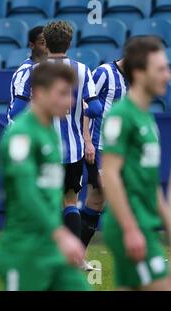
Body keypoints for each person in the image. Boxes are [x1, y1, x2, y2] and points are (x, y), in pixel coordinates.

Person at [3, 21, 102, 255]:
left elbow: (16, 112)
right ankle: (76, 256)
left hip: (43, 149)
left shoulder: (34, 71)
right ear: (70, 42)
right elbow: (97, 108)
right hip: (73, 148)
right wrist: (79, 110)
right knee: (71, 202)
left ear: (45, 42)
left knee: (43, 201)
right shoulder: (82, 69)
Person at [0, 62, 90, 291]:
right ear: (38, 93)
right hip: (25, 250)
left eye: (70, 94)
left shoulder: (49, 132)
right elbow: (26, 193)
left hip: (51, 248)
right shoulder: (21, 135)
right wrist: (62, 235)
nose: (69, 101)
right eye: (61, 93)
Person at [102, 36, 171, 290]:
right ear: (140, 73)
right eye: (161, 69)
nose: (167, 75)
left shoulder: (147, 119)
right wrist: (130, 229)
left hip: (144, 222)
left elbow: (150, 184)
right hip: (128, 224)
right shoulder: (122, 116)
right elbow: (109, 174)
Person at [80, 58, 128, 251]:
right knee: (111, 195)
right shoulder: (104, 73)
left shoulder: (132, 77)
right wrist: (87, 140)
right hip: (97, 145)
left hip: (116, 148)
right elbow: (85, 104)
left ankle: (75, 254)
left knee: (96, 201)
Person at [7, 25, 48, 123]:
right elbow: (16, 113)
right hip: (22, 131)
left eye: (49, 43)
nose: (47, 47)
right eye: (42, 43)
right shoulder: (26, 71)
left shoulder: (48, 69)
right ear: (32, 45)